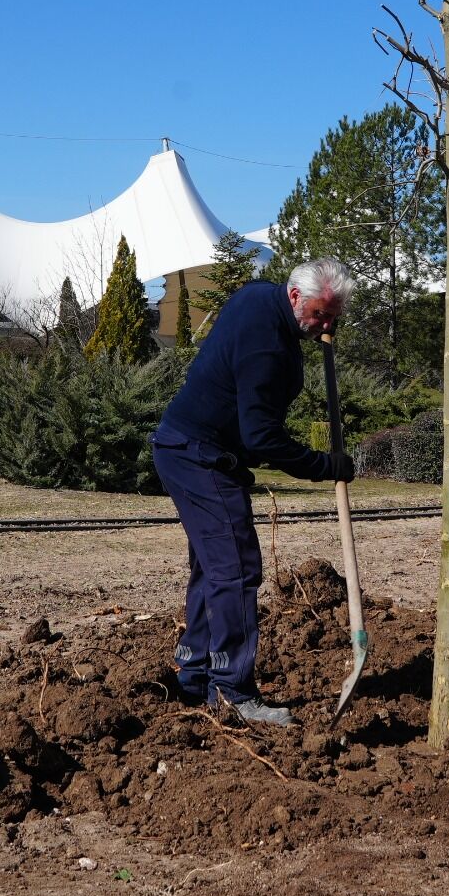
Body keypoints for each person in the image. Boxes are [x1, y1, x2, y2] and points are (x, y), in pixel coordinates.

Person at [151, 259, 357, 726]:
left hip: (185, 446)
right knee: (237, 569)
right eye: (320, 314)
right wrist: (325, 466)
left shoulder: (259, 296)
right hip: (199, 456)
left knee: (214, 569)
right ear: (294, 296)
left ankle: (196, 674)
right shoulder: (268, 346)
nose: (325, 326)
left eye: (333, 318)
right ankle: (232, 691)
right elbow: (262, 437)